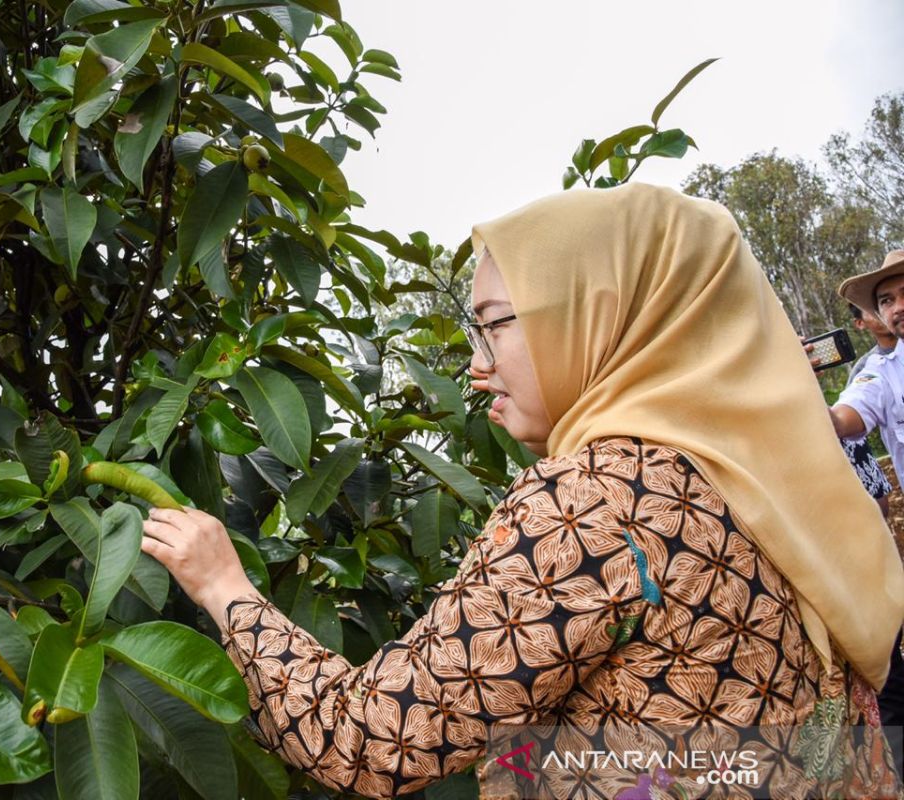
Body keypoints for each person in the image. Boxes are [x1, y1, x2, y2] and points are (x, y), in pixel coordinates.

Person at [140, 184, 904, 798]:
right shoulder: (765, 473)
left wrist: (223, 587)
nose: (477, 365)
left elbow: (367, 741)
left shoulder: (595, 505)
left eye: (496, 324)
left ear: (602, 320)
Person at [839, 303, 896, 517]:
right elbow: (846, 422)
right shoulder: (867, 369)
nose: (883, 313)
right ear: (860, 323)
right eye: (873, 310)